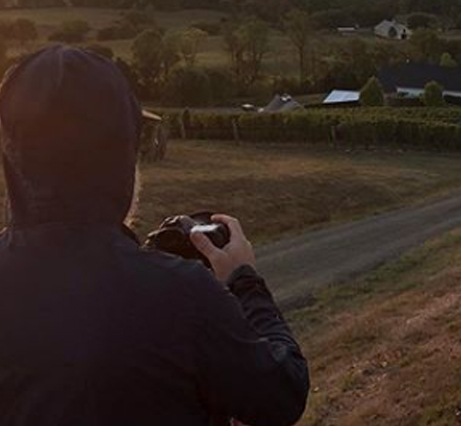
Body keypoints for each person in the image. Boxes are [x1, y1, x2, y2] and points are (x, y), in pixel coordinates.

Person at [0, 46, 309, 426]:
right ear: (119, 158)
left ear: (13, 157)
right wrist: (243, 280)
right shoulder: (182, 294)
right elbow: (283, 395)